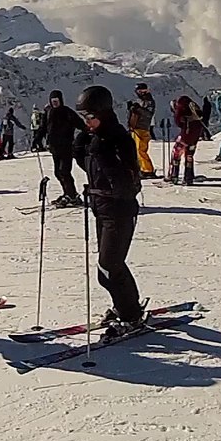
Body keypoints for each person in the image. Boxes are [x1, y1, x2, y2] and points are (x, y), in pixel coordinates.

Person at [72, 85, 145, 337]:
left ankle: (132, 316)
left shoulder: (118, 138)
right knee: (109, 267)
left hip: (120, 210)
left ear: (102, 113)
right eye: (83, 118)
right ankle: (128, 306)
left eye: (89, 117)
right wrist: (80, 149)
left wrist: (101, 156)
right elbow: (92, 170)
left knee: (109, 267)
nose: (87, 122)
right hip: (101, 209)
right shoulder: (98, 138)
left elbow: (127, 184)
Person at [44, 88, 85, 207]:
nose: (55, 103)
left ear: (61, 100)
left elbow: (80, 124)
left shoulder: (67, 112)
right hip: (54, 147)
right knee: (58, 172)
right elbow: (43, 128)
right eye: (53, 101)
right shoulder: (49, 113)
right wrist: (37, 141)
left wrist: (87, 135)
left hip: (66, 147)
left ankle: (72, 196)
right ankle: (68, 193)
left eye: (57, 100)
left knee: (64, 171)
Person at [167, 95, 207, 185]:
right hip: (194, 137)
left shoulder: (180, 110)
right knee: (189, 156)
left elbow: (179, 123)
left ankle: (174, 176)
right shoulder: (193, 109)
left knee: (176, 154)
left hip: (185, 136)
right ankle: (188, 177)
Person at [127, 82, 157, 179]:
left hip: (143, 128)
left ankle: (148, 170)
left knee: (141, 150)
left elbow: (148, 114)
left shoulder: (149, 101)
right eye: (140, 91)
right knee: (136, 150)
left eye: (144, 91)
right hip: (135, 127)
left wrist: (137, 109)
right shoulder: (140, 101)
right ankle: (142, 169)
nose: (142, 93)